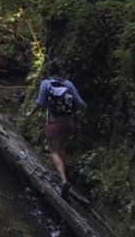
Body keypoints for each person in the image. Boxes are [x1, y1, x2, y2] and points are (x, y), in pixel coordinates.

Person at [28, 59, 87, 197]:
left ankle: (63, 180)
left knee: (54, 151)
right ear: (60, 71)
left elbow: (40, 103)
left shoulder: (46, 84)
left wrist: (30, 113)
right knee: (62, 147)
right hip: (69, 123)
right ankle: (62, 175)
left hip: (54, 123)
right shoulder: (68, 84)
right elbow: (80, 103)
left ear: (48, 71)